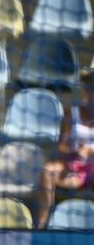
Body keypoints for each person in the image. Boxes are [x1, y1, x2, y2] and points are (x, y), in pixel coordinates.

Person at [36, 71, 94, 228]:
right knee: (47, 171)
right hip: (73, 169)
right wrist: (73, 151)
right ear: (87, 90)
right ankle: (42, 223)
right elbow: (61, 145)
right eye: (91, 88)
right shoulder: (71, 112)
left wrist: (88, 151)